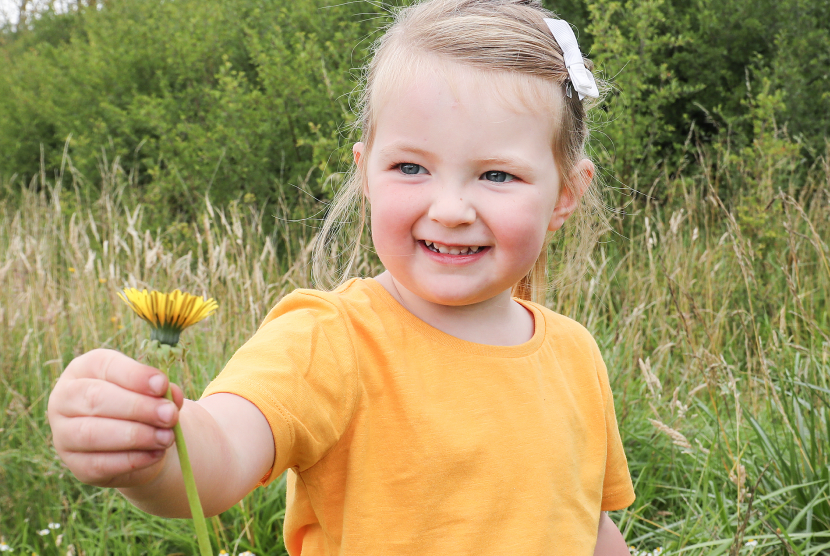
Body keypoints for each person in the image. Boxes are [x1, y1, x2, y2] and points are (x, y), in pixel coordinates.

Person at [46, 0, 635, 554]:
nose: (451, 208)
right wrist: (150, 450)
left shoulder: (575, 355)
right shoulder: (331, 339)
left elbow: (590, 526)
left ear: (565, 194)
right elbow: (220, 453)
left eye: (498, 176)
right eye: (411, 167)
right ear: (367, 174)